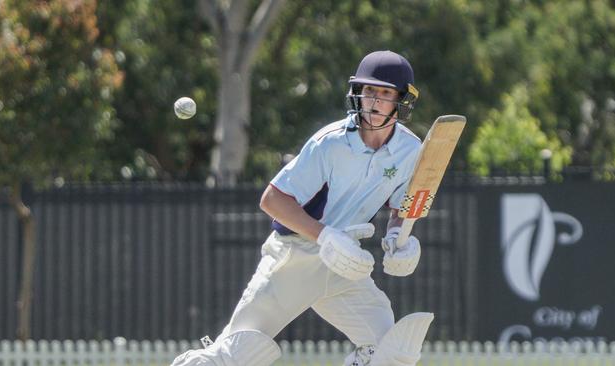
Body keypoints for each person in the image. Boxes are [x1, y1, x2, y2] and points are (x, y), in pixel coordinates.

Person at [171, 50, 433, 366]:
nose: (375, 101)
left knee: (392, 353)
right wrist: (325, 237)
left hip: (345, 266)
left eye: (385, 93)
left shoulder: (409, 150)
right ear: (357, 94)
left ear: (402, 100)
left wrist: (399, 237)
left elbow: (401, 205)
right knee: (229, 358)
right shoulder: (330, 143)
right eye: (369, 91)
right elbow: (272, 199)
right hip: (295, 258)